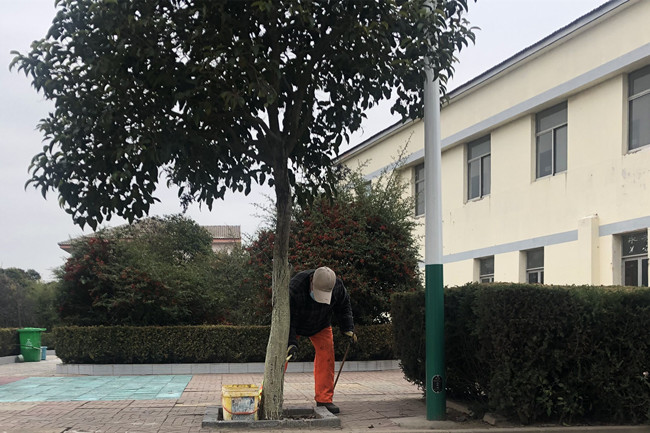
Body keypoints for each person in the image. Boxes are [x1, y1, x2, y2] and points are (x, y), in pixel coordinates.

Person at [286, 266, 357, 414]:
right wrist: (290, 343)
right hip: (295, 324)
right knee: (280, 357)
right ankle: (267, 395)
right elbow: (287, 318)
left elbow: (344, 307)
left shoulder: (337, 287)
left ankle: (324, 399)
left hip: (321, 324)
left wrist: (348, 328)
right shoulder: (296, 287)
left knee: (327, 357)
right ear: (312, 280)